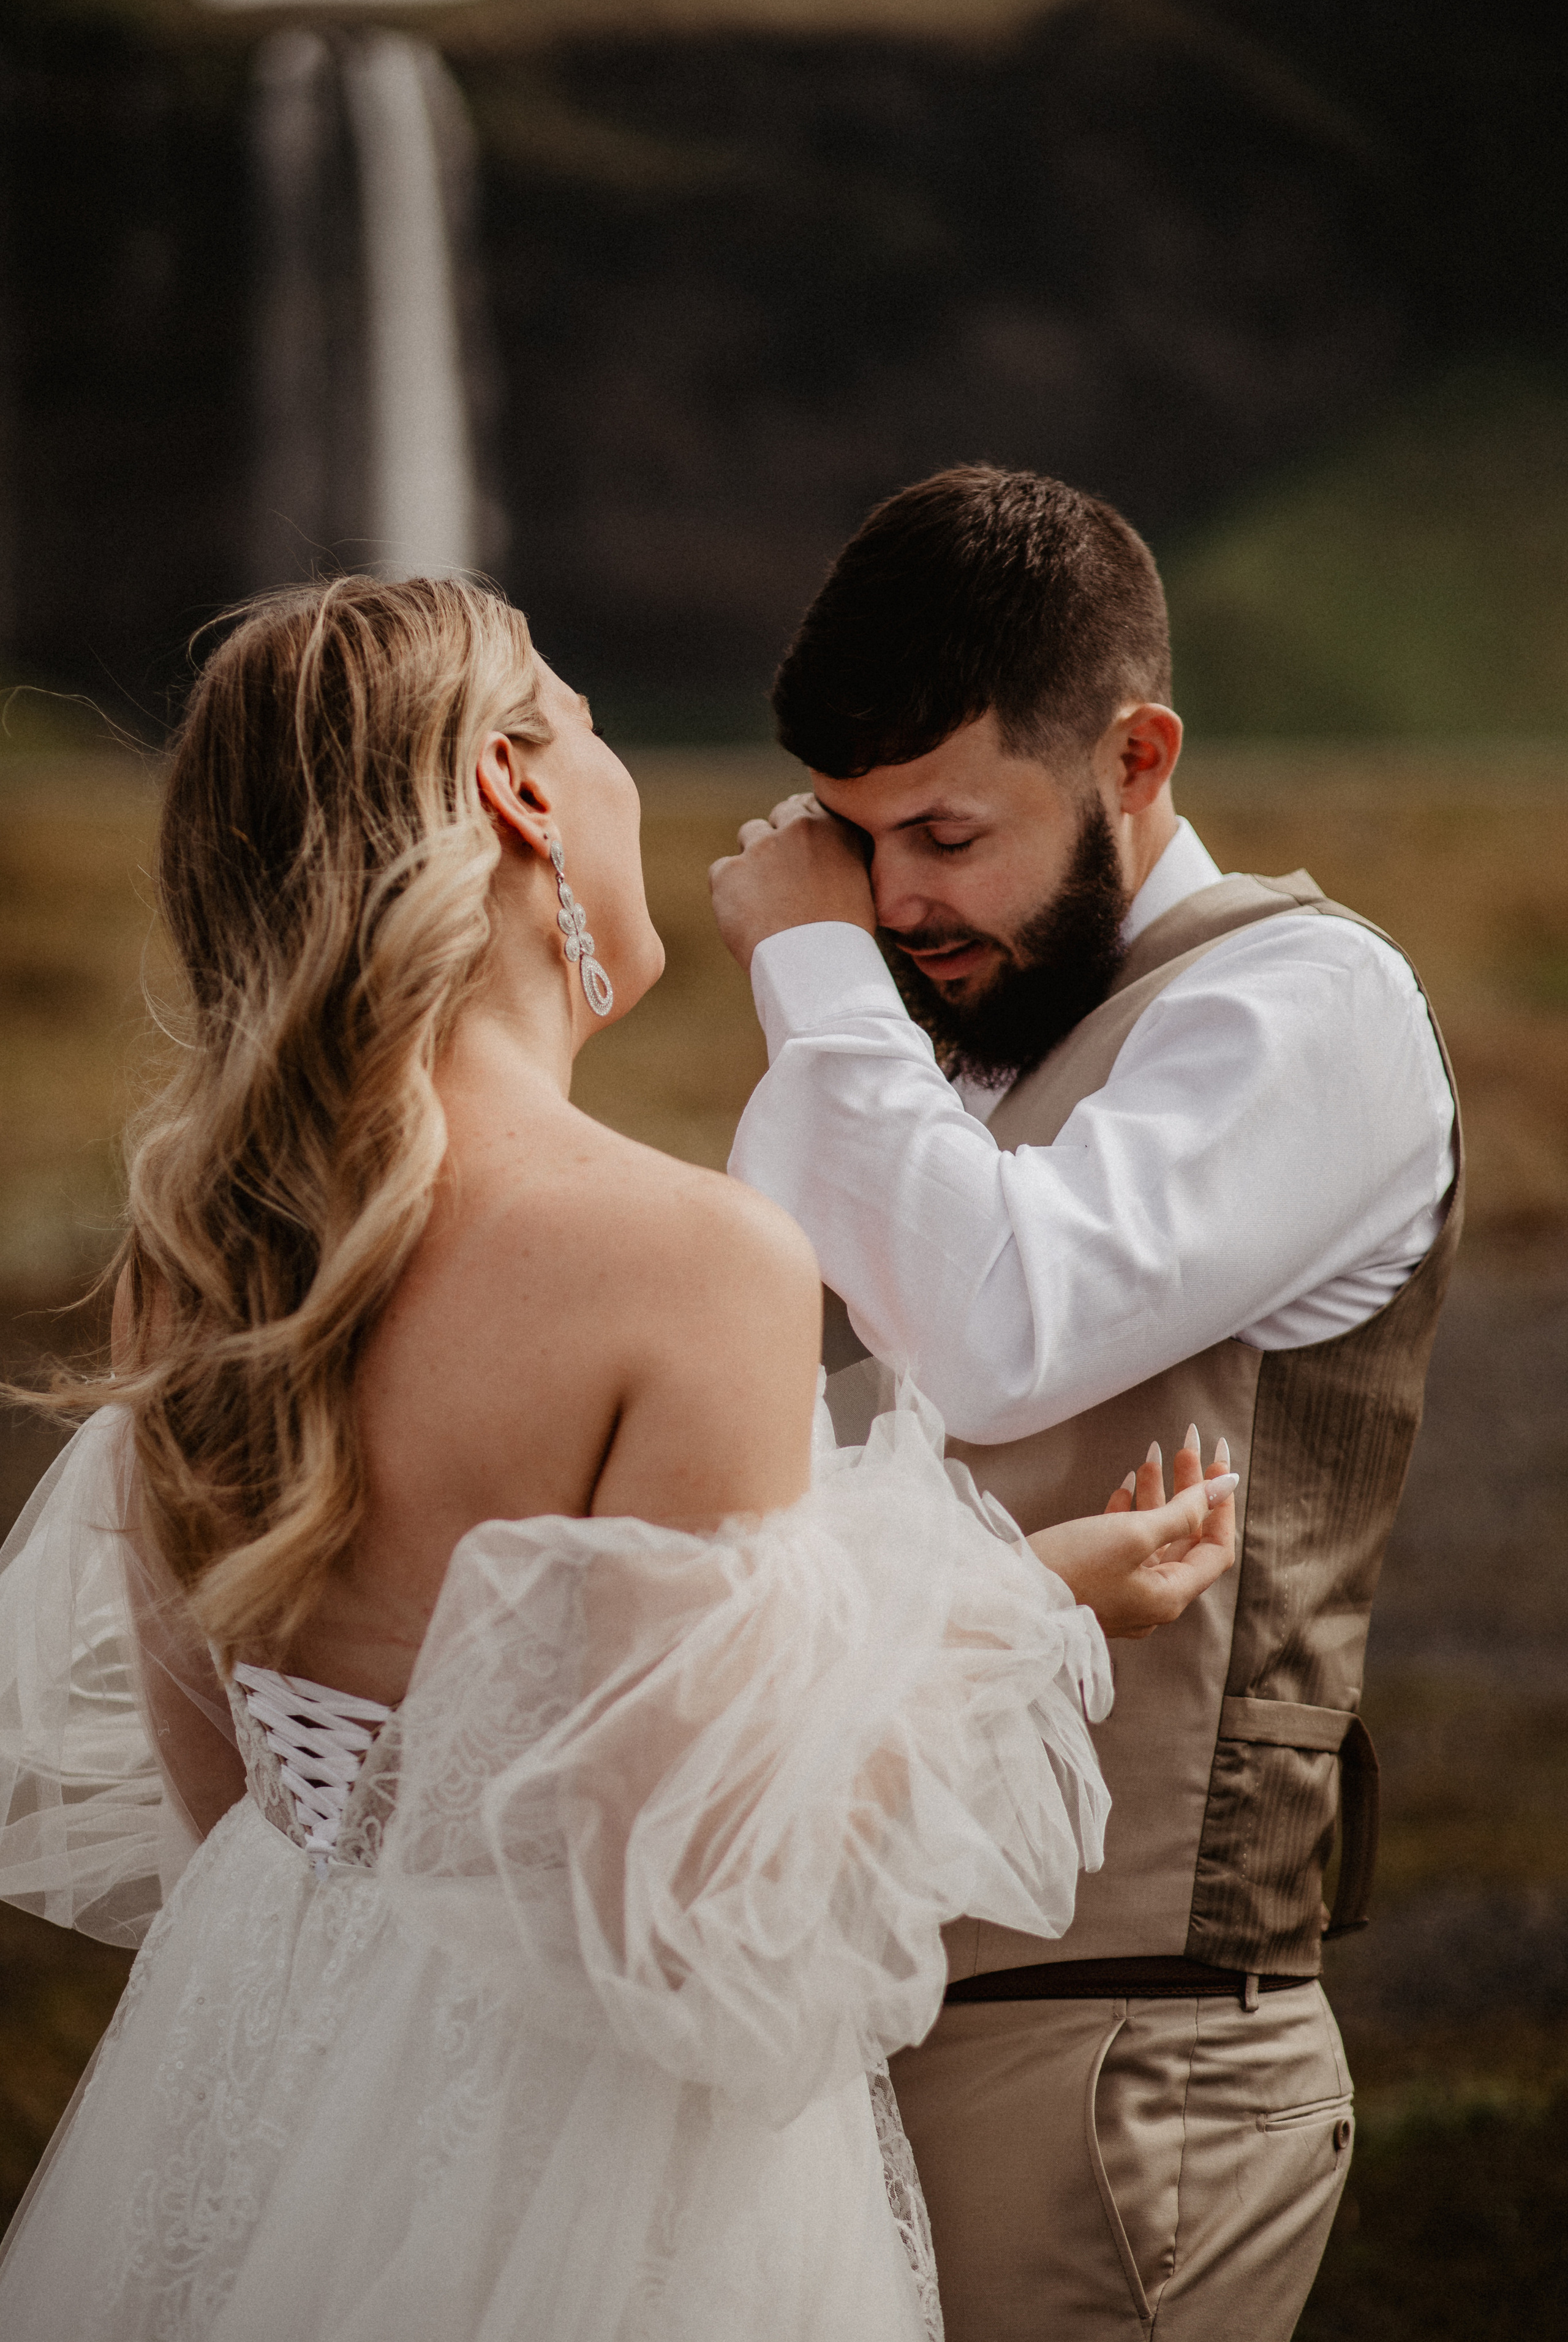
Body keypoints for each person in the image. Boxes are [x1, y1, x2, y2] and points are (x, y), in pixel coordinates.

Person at [0, 575, 1237, 2342]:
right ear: (515, 789)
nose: (619, 770)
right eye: (584, 726)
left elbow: (241, 1813)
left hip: (259, 2082)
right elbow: (682, 1918)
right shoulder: (691, 1261)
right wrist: (1028, 1615)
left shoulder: (203, 1263)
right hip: (575, 2175)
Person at [710, 465, 1461, 2342]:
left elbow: (1000, 1330)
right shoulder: (924, 1039)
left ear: (1137, 757)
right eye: (852, 842)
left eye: (947, 833)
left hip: (1116, 2050)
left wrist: (812, 971)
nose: (896, 898)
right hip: (826, 2036)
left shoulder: (1311, 1007)